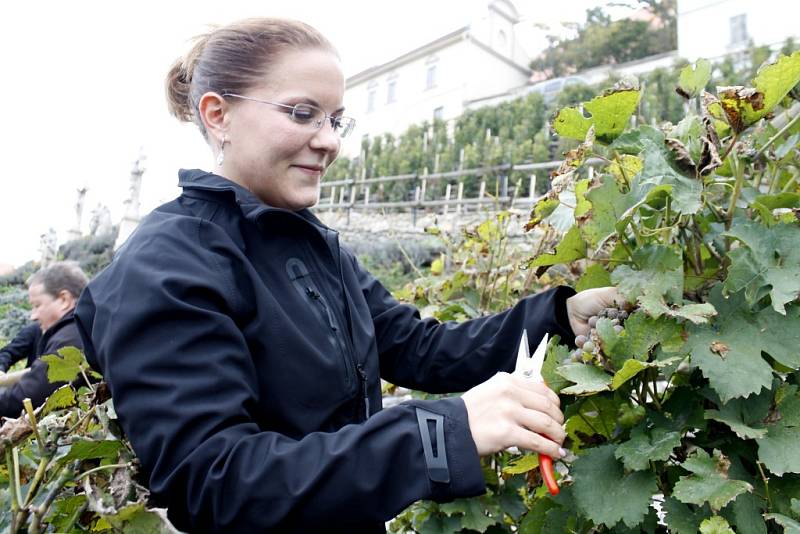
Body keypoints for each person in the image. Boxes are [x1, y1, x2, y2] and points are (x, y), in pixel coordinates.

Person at [74, 18, 618, 532]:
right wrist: (443, 434)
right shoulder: (169, 260)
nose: (329, 140)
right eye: (301, 113)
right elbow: (214, 480)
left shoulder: (311, 245)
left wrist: (557, 316)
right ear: (218, 114)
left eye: (335, 119)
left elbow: (418, 347)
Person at [0, 262, 87, 419]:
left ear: (64, 300)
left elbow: (24, 397)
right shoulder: (83, 327)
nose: (33, 315)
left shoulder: (69, 340)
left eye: (37, 305)